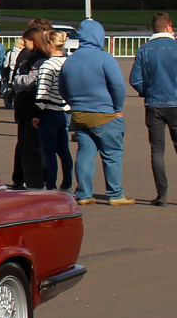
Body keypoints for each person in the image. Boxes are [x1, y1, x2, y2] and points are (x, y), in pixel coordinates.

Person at [129, 12, 177, 206]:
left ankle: (162, 194)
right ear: (169, 27)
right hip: (176, 104)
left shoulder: (144, 50)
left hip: (153, 105)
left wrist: (148, 91)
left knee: (157, 151)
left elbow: (135, 80)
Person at [58, 19, 132, 206]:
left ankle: (83, 194)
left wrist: (73, 102)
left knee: (84, 154)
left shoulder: (70, 60)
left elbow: (62, 88)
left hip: (79, 114)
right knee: (112, 154)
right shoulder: (105, 58)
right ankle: (115, 194)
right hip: (104, 114)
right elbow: (117, 85)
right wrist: (118, 108)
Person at [10, 22, 51, 189]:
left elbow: (27, 81)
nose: (23, 44)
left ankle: (34, 180)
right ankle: (26, 180)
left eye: (26, 40)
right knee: (26, 146)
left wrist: (19, 81)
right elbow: (20, 79)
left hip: (33, 107)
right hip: (26, 107)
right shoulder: (27, 58)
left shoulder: (39, 60)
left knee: (32, 148)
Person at [33, 30, 73, 192]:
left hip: (49, 111)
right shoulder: (69, 62)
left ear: (50, 45)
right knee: (64, 150)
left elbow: (42, 91)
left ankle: (50, 184)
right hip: (64, 111)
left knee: (49, 152)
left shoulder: (48, 65)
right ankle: (68, 183)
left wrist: (37, 113)